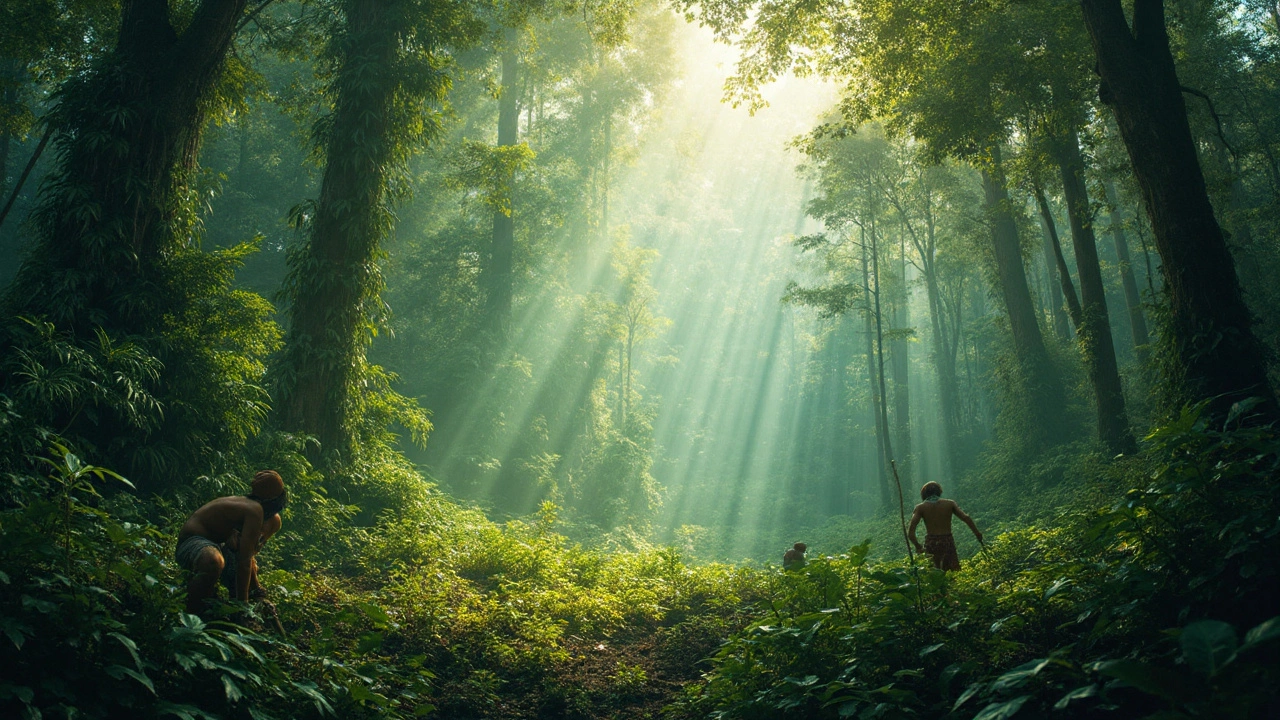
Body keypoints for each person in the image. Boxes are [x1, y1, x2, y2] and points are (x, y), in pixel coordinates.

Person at [175, 470, 287, 614]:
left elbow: (248, 556)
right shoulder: (254, 509)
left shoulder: (265, 515)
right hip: (192, 544)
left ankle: (230, 608)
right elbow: (244, 561)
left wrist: (255, 591)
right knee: (213, 561)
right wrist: (243, 605)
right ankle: (192, 613)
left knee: (243, 564)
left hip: (217, 545)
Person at [907, 481, 982, 572]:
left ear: (924, 494)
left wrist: (918, 546)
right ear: (939, 492)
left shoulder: (921, 507)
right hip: (947, 542)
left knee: (935, 574)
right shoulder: (950, 504)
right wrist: (977, 533)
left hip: (932, 543)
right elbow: (966, 518)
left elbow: (911, 532)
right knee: (953, 572)